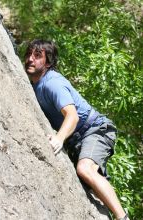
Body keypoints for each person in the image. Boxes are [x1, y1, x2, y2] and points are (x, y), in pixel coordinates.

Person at [25, 39, 129, 220]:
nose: (30, 59)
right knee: (87, 184)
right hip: (78, 139)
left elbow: (73, 116)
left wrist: (59, 138)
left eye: (37, 56)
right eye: (28, 54)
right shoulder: (33, 85)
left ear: (48, 62)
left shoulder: (52, 83)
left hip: (95, 129)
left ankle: (123, 218)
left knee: (85, 169)